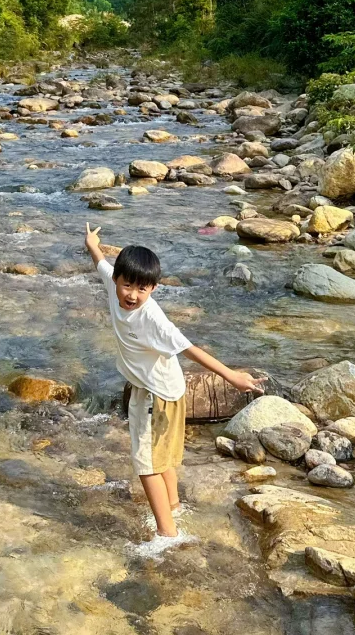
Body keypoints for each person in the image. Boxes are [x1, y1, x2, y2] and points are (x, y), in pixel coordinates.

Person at [84, 222, 264, 548]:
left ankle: (167, 535)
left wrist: (232, 377)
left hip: (157, 395)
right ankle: (175, 508)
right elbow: (100, 261)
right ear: (116, 281)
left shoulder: (152, 317)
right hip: (160, 389)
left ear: (153, 288)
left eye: (143, 289)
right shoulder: (113, 286)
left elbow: (190, 349)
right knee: (161, 457)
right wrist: (92, 242)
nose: (132, 295)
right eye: (127, 286)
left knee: (146, 464)